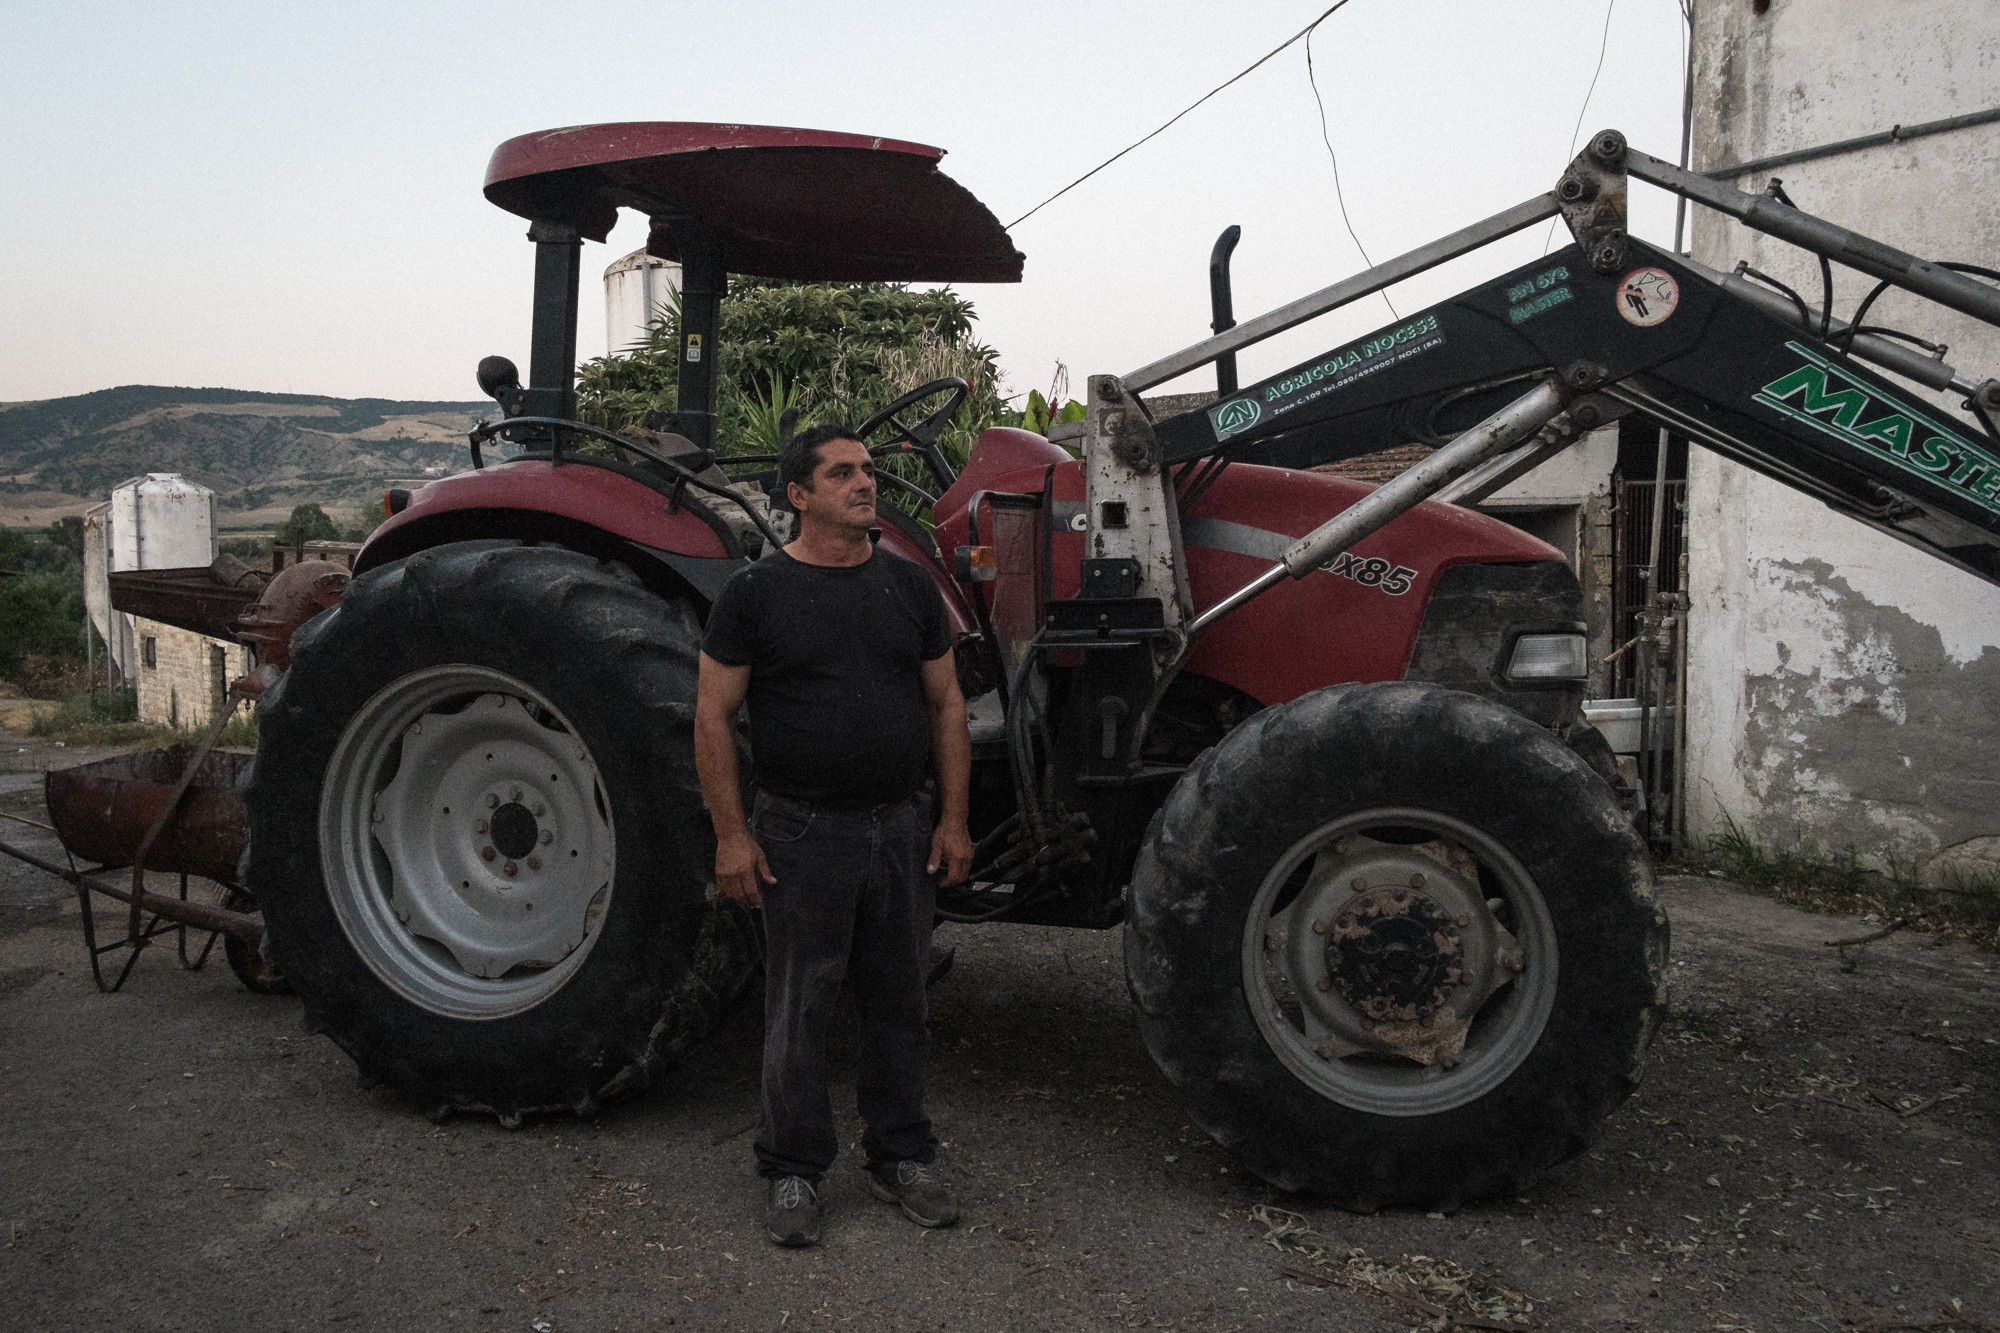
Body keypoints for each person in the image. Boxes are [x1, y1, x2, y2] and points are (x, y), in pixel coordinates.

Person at [694, 423, 975, 1249]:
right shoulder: (756, 595)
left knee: (900, 1002)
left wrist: (952, 819)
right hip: (801, 829)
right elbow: (712, 714)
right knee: (800, 1005)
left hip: (899, 826)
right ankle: (791, 1166)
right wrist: (732, 835)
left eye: (868, 470)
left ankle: (900, 1155)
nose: (865, 483)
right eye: (842, 472)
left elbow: (948, 703)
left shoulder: (909, 588)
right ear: (798, 496)